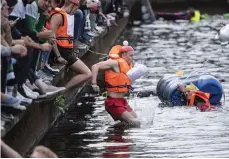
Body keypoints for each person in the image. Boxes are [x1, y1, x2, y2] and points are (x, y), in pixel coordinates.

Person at [91, 43, 140, 128]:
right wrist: (94, 83)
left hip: (122, 101)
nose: (133, 58)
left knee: (137, 119)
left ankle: (118, 133)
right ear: (124, 55)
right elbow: (95, 66)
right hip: (113, 103)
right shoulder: (114, 63)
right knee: (135, 123)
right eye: (131, 56)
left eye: (133, 55)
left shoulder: (128, 65)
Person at [49, 0, 92, 90]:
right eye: (76, 9)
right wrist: (58, 56)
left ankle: (63, 90)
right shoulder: (58, 15)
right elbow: (51, 37)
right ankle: (63, 91)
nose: (76, 12)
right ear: (72, 5)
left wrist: (73, 47)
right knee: (87, 73)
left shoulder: (66, 15)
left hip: (67, 51)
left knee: (87, 73)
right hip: (62, 52)